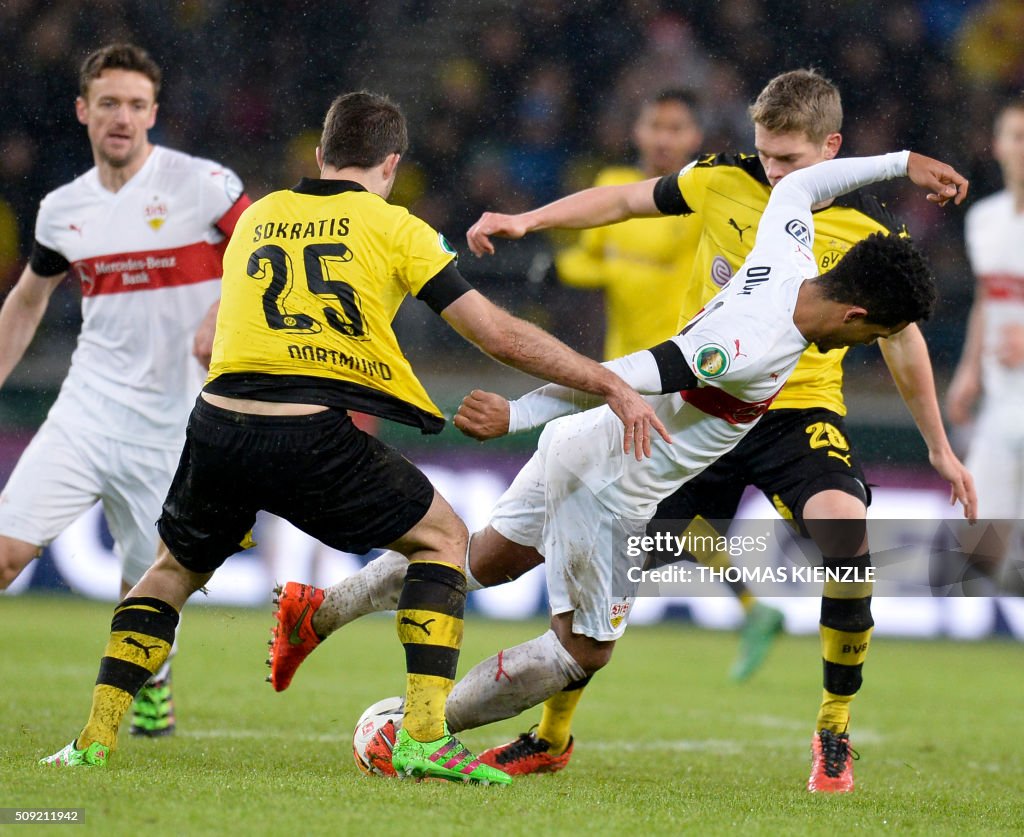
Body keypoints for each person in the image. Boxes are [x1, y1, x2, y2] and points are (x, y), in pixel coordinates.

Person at [270, 152, 971, 793]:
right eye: (871, 336)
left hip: (582, 449)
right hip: (607, 485)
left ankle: (318, 609)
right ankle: (415, 732)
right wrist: (515, 415)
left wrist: (903, 163)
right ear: (854, 313)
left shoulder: (786, 253)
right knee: (585, 648)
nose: (864, 346)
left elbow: (800, 184)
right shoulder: (749, 345)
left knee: (483, 559)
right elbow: (615, 377)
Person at [39, 91, 667, 785]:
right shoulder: (398, 228)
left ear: (320, 155)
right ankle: (424, 734)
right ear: (391, 164)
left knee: (171, 571)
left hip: (218, 420)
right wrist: (607, 382)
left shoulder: (260, 216)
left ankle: (93, 738)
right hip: (307, 430)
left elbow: (217, 329)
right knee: (442, 540)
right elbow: (498, 334)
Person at [461, 69, 976, 791]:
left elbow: (902, 340)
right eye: (764, 153)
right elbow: (623, 200)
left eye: (789, 160)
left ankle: (833, 730)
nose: (772, 172)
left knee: (847, 540)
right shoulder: (720, 181)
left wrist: (939, 448)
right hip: (705, 406)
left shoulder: (862, 238)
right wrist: (528, 221)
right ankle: (550, 735)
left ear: (831, 148)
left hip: (798, 414)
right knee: (613, 557)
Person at [0, 44, 250, 738]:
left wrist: (215, 309)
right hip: (87, 408)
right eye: (108, 102)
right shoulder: (62, 210)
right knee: (4, 555)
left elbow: (264, 247)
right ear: (84, 111)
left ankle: (155, 680)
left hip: (175, 426)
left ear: (154, 114)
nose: (123, 117)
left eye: (137, 105)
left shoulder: (203, 183)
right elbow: (26, 301)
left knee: (147, 591)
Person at [557, 87, 785, 680]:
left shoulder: (700, 195)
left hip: (680, 373)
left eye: (677, 128)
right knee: (647, 508)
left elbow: (613, 257)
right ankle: (747, 604)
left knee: (643, 507)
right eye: (654, 124)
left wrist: (606, 263)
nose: (664, 138)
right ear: (636, 129)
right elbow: (582, 259)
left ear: (695, 139)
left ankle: (586, 632)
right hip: (615, 368)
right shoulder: (613, 183)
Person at [945, 96, 1024, 591]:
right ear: (996, 145)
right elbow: (985, 299)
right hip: (1001, 402)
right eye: (1016, 136)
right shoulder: (985, 220)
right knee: (980, 546)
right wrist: (968, 371)